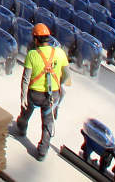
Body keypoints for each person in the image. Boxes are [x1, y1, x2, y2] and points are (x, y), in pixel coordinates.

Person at [10, 23, 70, 161]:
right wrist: (58, 83)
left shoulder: (32, 55)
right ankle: (42, 151)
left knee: (26, 112)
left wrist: (23, 97)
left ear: (36, 39)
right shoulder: (59, 53)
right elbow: (67, 76)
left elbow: (26, 79)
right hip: (52, 96)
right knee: (48, 123)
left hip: (34, 95)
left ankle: (22, 127)